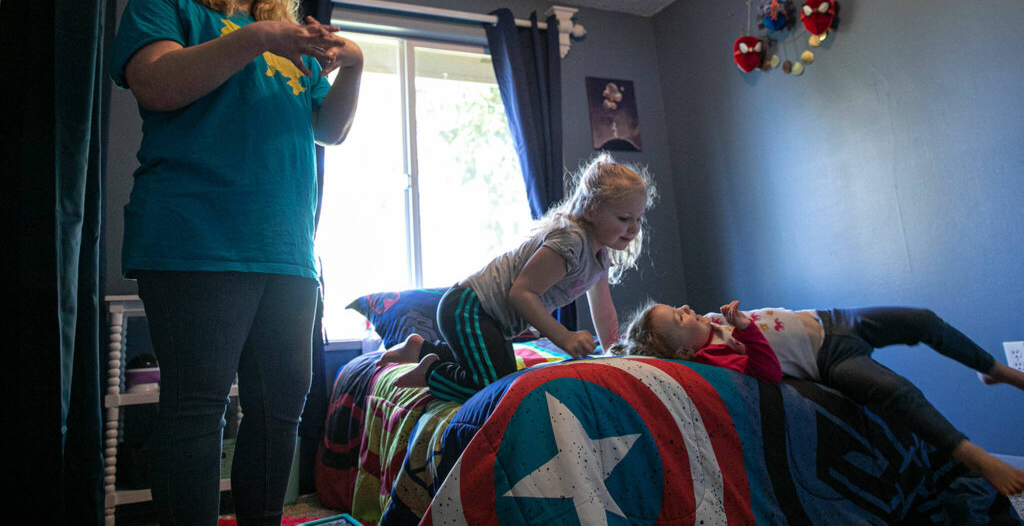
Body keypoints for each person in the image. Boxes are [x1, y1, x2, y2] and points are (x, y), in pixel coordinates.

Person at [111, 0, 364, 524]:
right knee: (198, 408)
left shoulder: (286, 42)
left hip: (289, 252)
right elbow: (156, 85)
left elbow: (329, 131)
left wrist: (353, 64)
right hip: (195, 238)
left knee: (282, 409)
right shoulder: (166, 2)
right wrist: (255, 37)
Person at [612, 300, 1024, 496]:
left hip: (831, 320)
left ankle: (994, 369)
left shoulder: (712, 322)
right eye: (679, 317)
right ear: (683, 352)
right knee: (895, 392)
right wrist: (745, 330)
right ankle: (975, 455)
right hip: (829, 358)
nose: (687, 308)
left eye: (678, 307)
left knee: (924, 320)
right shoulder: (718, 357)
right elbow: (768, 372)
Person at [377, 153, 656, 401]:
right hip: (469, 307)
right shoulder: (570, 241)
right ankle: (432, 373)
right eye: (624, 219)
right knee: (494, 387)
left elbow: (604, 309)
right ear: (593, 209)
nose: (633, 229)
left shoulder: (599, 257)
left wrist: (614, 354)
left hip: (492, 321)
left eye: (639, 219)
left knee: (498, 368)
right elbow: (521, 293)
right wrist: (564, 337)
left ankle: (423, 348)